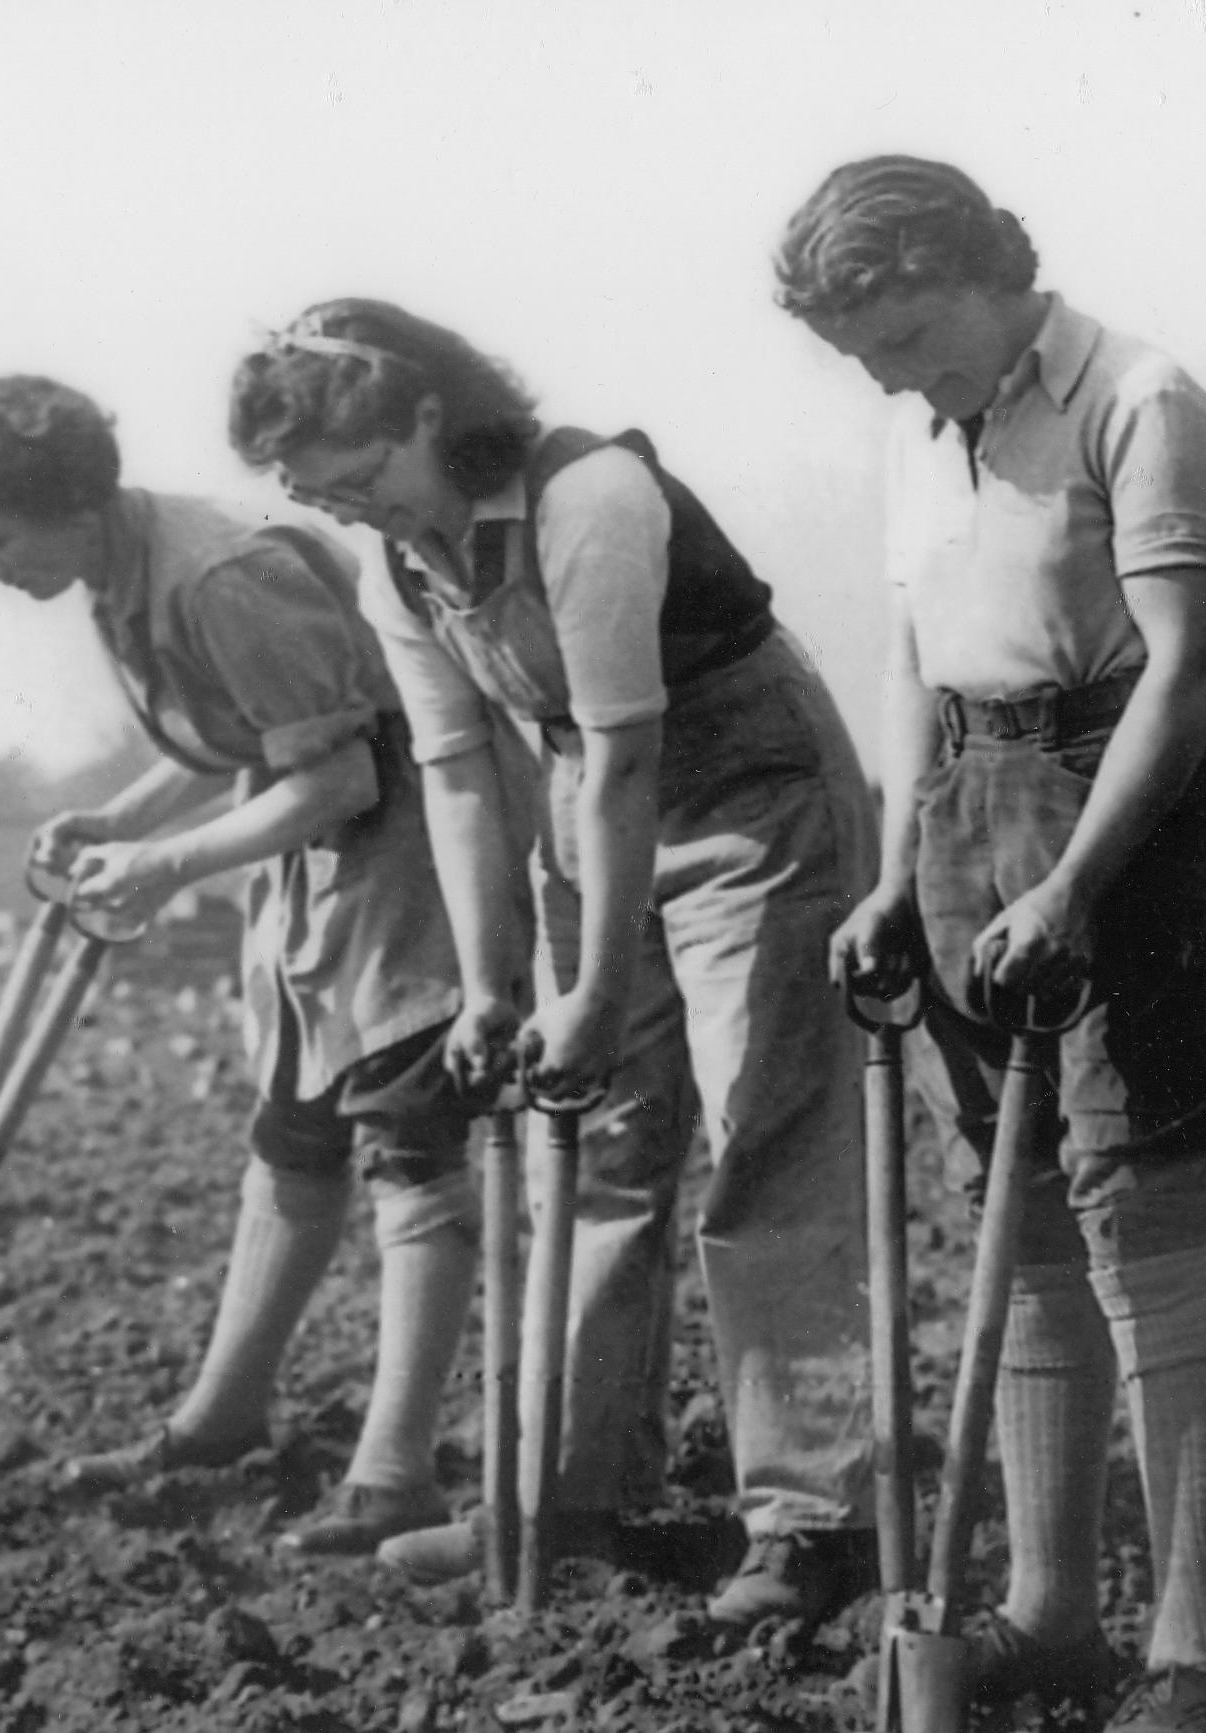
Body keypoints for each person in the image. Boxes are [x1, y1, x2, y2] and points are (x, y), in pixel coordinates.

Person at [226, 301, 881, 1625]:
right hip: (591, 807)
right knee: (597, 1143)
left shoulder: (590, 499)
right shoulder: (401, 565)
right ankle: (565, 1502)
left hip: (750, 795)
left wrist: (589, 990)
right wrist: (493, 986)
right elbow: (464, 775)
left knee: (765, 1139)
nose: (362, 514)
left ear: (429, 416)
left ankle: (814, 1522)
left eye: (366, 479)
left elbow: (630, 747)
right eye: (328, 499)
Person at [780, 158, 1206, 1732]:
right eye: (872, 360)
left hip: (1127, 818)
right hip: (963, 811)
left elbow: (1186, 664)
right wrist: (887, 864)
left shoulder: (1143, 398)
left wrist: (1073, 884)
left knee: (1145, 1221)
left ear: (992, 269)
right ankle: (1047, 1616)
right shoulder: (913, 429)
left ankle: (1202, 1658)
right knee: (1031, 1229)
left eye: (920, 336)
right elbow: (909, 652)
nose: (905, 378)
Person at [0, 375, 487, 1555]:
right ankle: (220, 1418)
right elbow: (241, 741)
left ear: (67, 505)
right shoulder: (124, 569)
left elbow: (344, 773)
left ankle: (393, 1469)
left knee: (407, 1138)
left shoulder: (223, 574)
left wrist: (165, 869)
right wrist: (119, 819)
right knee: (293, 1134)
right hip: (314, 856)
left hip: (412, 849)